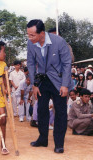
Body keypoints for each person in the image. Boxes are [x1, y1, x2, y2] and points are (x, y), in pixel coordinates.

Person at [27, 19, 73, 153]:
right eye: (28, 35)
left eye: (32, 35)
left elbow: (66, 64)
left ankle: (59, 143)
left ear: (42, 33)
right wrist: (35, 84)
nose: (29, 38)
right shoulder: (31, 44)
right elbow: (30, 64)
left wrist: (65, 85)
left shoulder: (59, 42)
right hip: (42, 81)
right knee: (41, 109)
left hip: (58, 81)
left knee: (60, 112)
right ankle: (42, 139)